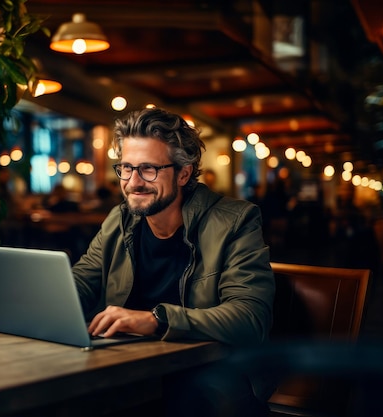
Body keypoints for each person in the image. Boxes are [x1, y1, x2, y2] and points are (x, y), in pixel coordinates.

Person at [71, 107, 275, 417]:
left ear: (184, 172)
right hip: (133, 369)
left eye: (148, 169)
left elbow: (249, 318)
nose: (133, 182)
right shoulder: (119, 219)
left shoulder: (236, 221)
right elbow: (81, 281)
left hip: (209, 374)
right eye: (126, 168)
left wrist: (156, 319)